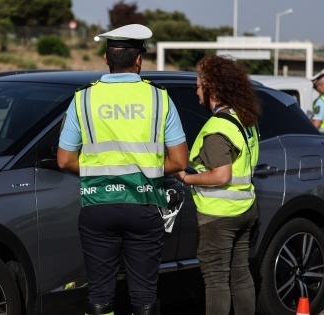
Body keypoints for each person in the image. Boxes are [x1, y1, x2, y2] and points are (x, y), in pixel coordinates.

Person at [57, 24, 188, 315]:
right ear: (138, 60)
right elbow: (179, 161)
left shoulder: (83, 99)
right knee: (144, 294)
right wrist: (147, 170)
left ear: (106, 58)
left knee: (100, 293)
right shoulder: (160, 99)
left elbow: (65, 160)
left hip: (97, 204)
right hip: (144, 203)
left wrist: (99, 171)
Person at [175, 55, 260, 315]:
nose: (197, 90)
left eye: (199, 84)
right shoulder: (244, 120)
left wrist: (187, 178)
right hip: (245, 208)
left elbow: (221, 176)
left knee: (216, 281)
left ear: (213, 87)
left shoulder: (217, 127)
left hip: (219, 213)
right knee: (241, 274)